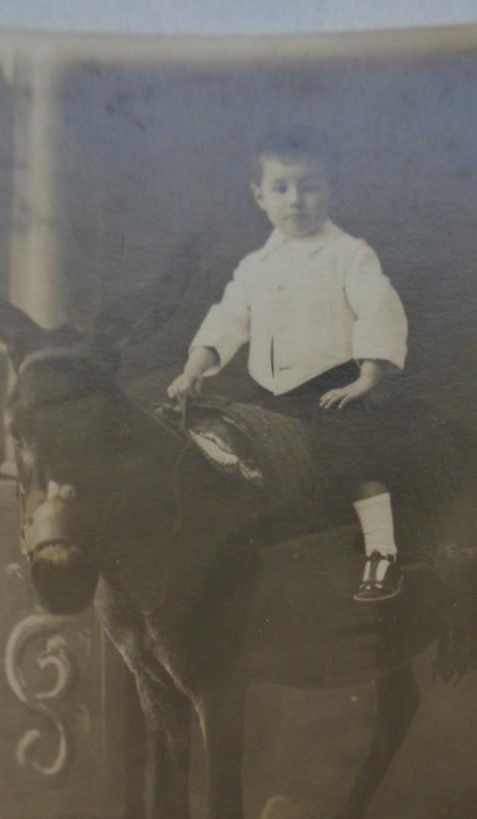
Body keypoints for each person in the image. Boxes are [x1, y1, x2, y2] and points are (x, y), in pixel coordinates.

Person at [168, 126, 409, 602]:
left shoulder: (349, 254)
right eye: (281, 189)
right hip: (274, 394)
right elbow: (229, 317)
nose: (295, 200)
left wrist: (369, 376)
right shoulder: (256, 265)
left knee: (354, 457)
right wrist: (194, 367)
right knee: (234, 450)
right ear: (259, 195)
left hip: (334, 386)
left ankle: (382, 555)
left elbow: (378, 306)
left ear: (330, 189)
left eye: (309, 186)